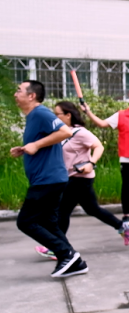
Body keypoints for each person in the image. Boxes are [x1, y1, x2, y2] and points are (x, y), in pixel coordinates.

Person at [11, 80, 87, 278]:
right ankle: (76, 262)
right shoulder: (32, 117)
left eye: (19, 90)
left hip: (48, 180)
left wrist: (35, 145)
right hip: (48, 179)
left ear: (31, 96)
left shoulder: (41, 113)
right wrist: (26, 149)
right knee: (50, 223)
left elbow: (65, 132)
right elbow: (45, 143)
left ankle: (65, 254)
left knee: (26, 222)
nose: (15, 94)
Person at [55, 102, 129, 246]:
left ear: (68, 115)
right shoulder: (64, 132)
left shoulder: (80, 132)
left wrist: (90, 163)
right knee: (92, 209)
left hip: (79, 178)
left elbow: (98, 146)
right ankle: (122, 226)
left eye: (57, 114)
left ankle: (58, 246)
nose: (55, 117)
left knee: (62, 210)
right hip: (73, 178)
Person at [83, 86, 129, 224]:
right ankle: (126, 214)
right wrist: (88, 112)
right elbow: (102, 123)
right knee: (127, 187)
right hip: (127, 158)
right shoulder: (121, 115)